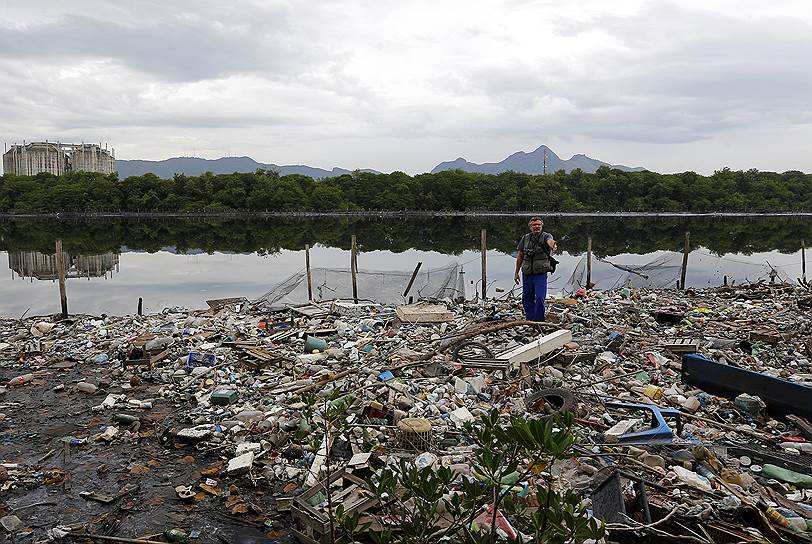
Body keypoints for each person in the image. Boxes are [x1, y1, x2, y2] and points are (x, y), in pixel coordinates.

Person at [514, 217, 557, 322]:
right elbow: (520, 256)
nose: (536, 227)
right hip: (527, 274)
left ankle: (539, 321)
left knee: (539, 298)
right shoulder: (525, 238)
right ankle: (531, 320)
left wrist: (553, 246)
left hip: (540, 274)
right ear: (530, 227)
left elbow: (550, 241)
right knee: (526, 299)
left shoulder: (546, 236)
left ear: (542, 226)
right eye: (534, 225)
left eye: (538, 225)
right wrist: (516, 273)